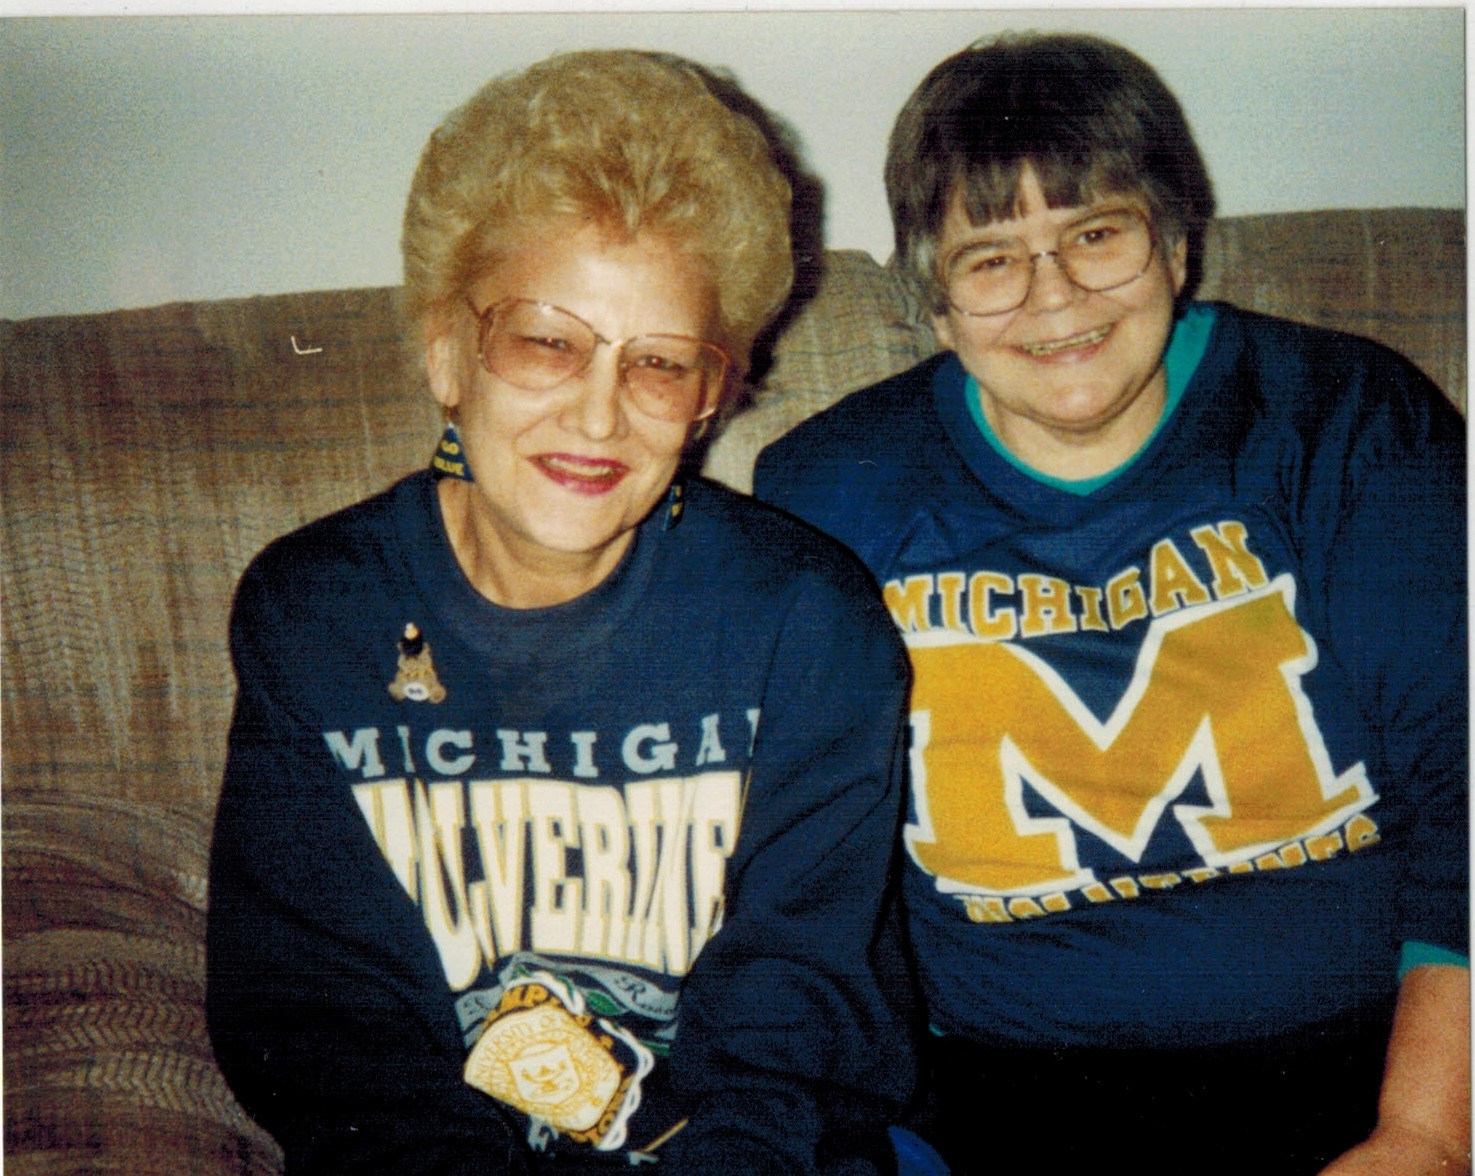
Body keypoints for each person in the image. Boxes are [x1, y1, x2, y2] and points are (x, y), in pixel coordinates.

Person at [755, 32, 1468, 1176]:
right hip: (1005, 1089)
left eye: (1095, 235)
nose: (1054, 298)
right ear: (931, 301)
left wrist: (1424, 1135)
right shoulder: (828, 491)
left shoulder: (1343, 421)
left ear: (1175, 244)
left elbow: (1462, 784)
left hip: (1368, 1061)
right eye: (989, 259)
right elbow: (805, 864)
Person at [206, 50, 917, 1175]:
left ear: (710, 397)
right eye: (547, 340)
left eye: (659, 363)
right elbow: (324, 1029)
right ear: (447, 351)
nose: (597, 414)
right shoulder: (316, 615)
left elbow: (802, 1018)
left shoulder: (805, 622)